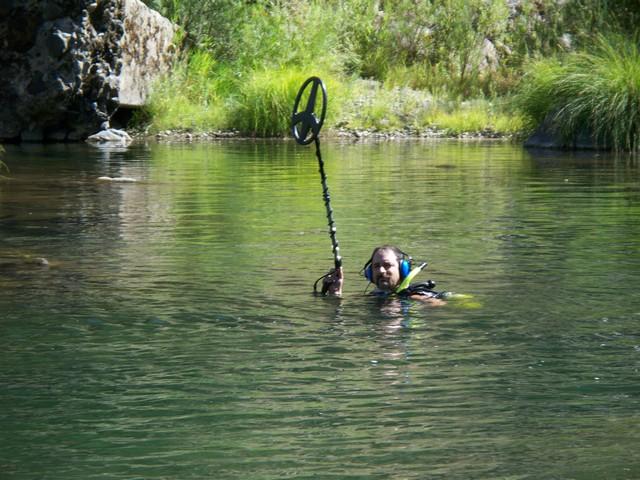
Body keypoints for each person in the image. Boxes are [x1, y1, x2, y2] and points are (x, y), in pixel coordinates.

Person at [319, 245, 446, 306]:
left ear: (402, 269)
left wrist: (411, 298)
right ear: (369, 273)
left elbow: (440, 305)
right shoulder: (371, 297)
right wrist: (335, 292)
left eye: (387, 265)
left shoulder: (416, 295)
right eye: (376, 266)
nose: (380, 270)